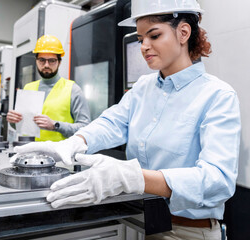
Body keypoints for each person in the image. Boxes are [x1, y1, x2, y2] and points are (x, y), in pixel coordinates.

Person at [13, 0, 241, 239]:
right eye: (141, 38)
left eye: (154, 35)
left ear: (183, 32)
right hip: (138, 221)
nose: (144, 46)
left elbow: (218, 180)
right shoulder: (144, 87)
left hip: (187, 231)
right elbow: (113, 122)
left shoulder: (216, 96)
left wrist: (131, 177)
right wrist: (74, 143)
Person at [7, 35, 91, 142]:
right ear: (36, 61)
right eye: (42, 60)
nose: (46, 65)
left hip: (62, 155)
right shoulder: (29, 88)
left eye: (52, 60)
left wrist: (56, 126)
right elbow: (20, 126)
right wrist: (13, 121)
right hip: (33, 154)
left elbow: (85, 128)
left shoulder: (73, 90)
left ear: (59, 62)